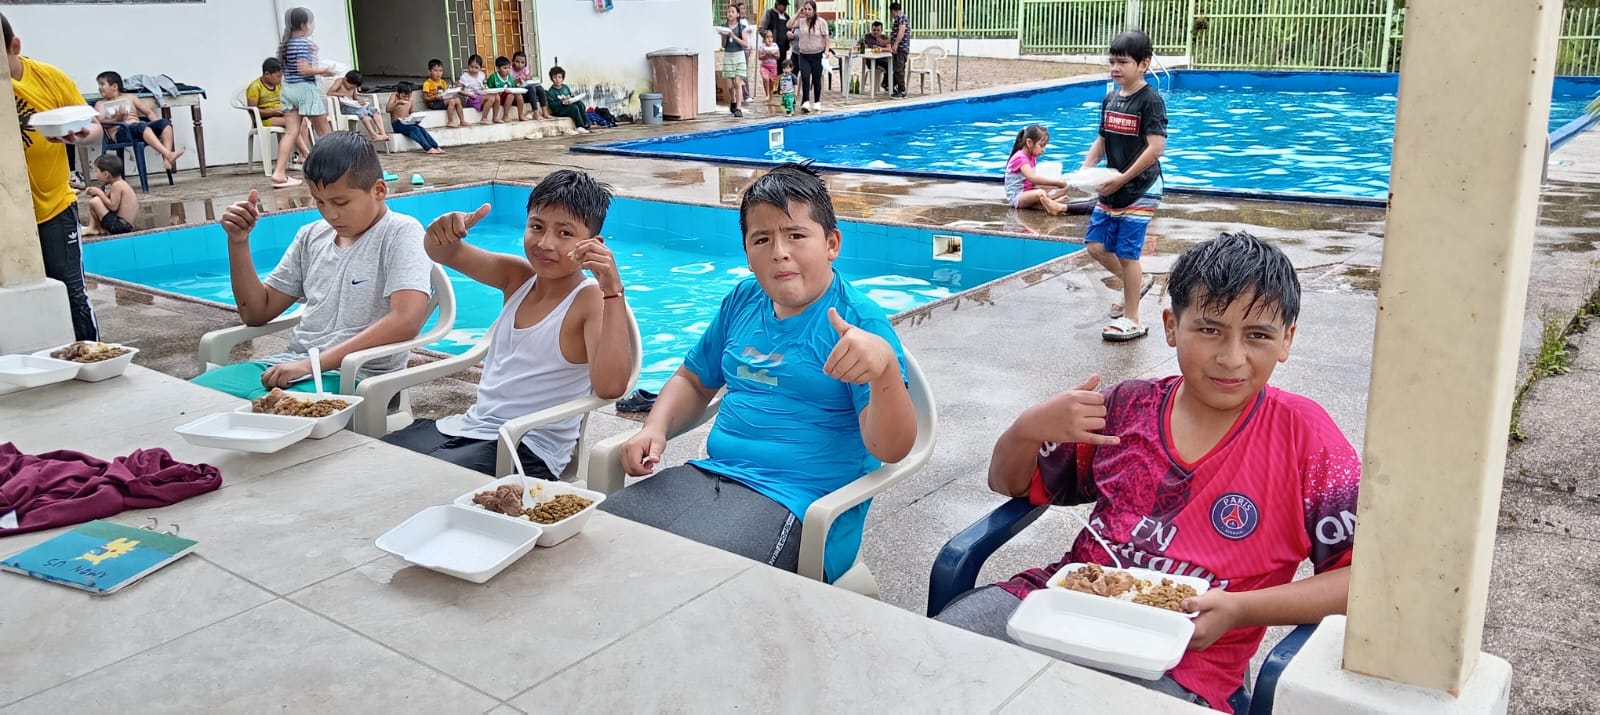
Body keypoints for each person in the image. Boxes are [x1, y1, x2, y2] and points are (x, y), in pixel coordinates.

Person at [933, 231, 1361, 713]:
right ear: (1171, 326)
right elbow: (1008, 483)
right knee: (932, 659)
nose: (1231, 358)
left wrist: (1242, 609)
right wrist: (1027, 429)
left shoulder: (1306, 439)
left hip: (1184, 660)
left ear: (1287, 340)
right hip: (1061, 607)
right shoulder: (1126, 407)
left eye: (1257, 335)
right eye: (1210, 330)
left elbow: (1361, 581)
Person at [601, 162, 916, 582]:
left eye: (796, 235)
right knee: (601, 541)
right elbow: (692, 379)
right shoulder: (744, 301)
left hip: (800, 503)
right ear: (748, 255)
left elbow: (892, 449)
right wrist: (654, 428)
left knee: (688, 581)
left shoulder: (860, 324)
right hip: (711, 476)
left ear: (832, 243)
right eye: (762, 239)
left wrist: (885, 371)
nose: (779, 251)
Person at [382, 171, 637, 477]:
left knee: (426, 481)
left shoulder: (590, 299)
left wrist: (613, 290)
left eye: (565, 233)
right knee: (377, 460)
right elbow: (442, 252)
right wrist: (443, 229)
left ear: (593, 245)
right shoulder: (517, 277)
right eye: (537, 227)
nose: (546, 243)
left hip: (528, 447)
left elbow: (610, 387)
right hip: (471, 428)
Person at [193, 132, 433, 400]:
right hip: (290, 365)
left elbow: (406, 320)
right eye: (320, 201)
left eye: (341, 202)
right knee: (190, 398)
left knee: (267, 410)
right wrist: (238, 241)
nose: (330, 214)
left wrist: (311, 365)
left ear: (379, 190)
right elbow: (256, 313)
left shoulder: (400, 232)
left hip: (360, 377)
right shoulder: (311, 236)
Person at [6, 12, 104, 341]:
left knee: (70, 291)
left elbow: (94, 127)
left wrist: (81, 135)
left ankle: (90, 355)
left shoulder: (47, 78)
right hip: (8, 214)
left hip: (53, 206)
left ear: (15, 46)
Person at [1081, 30, 1166, 342]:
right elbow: (1102, 139)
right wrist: (1086, 169)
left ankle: (1133, 319)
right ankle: (1136, 282)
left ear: (1143, 64)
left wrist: (1122, 178)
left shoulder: (1150, 101)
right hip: (1113, 186)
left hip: (1142, 188)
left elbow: (1156, 148)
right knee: (1095, 246)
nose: (1115, 68)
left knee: (1128, 254)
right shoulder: (1111, 98)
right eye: (1112, 62)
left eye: (1122, 62)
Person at [271, 6, 338, 189]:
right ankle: (337, 170)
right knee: (325, 132)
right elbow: (304, 69)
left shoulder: (285, 44)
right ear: (303, 24)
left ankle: (279, 174)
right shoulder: (301, 44)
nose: (312, 25)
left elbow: (295, 67)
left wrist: (313, 52)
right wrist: (325, 70)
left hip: (288, 89)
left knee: (291, 133)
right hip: (305, 90)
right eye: (311, 22)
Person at [93, 71, 186, 172]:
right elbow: (101, 124)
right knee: (143, 127)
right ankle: (168, 154)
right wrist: (117, 118)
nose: (99, 88)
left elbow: (148, 113)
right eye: (99, 85)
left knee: (165, 123)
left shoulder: (130, 97)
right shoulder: (100, 104)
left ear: (115, 86)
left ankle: (167, 159)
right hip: (121, 133)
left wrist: (157, 128)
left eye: (102, 84)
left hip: (139, 128)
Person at [247, 57, 311, 166]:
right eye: (278, 76)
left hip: (281, 115)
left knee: (303, 120)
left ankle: (301, 156)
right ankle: (307, 154)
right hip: (263, 120)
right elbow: (253, 111)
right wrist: (272, 112)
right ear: (267, 74)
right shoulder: (255, 87)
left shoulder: (279, 85)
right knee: (291, 122)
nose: (280, 79)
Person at [1005, 124, 1072, 215]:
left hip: (1028, 192)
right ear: (1029, 142)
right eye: (1041, 145)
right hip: (1018, 197)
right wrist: (1057, 183)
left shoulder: (1031, 157)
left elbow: (1033, 183)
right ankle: (1051, 205)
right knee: (1040, 193)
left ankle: (1045, 204)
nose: (1044, 150)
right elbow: (1032, 178)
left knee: (1062, 187)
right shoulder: (1020, 158)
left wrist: (1058, 185)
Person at [788, 1, 830, 113]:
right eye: (805, 9)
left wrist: (826, 50)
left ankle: (817, 102)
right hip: (804, 55)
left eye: (809, 9)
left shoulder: (821, 22)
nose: (807, 11)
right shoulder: (801, 22)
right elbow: (789, 25)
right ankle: (805, 101)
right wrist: (798, 13)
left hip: (817, 54)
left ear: (814, 11)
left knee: (816, 78)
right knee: (805, 77)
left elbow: (826, 37)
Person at [326, 70, 390, 142]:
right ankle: (374, 135)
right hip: (344, 107)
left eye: (354, 87)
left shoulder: (353, 86)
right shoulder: (340, 81)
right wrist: (341, 94)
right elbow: (329, 93)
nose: (351, 88)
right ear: (346, 79)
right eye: (351, 86)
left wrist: (360, 101)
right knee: (363, 113)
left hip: (354, 105)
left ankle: (383, 133)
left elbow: (355, 98)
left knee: (374, 110)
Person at [84, 154, 138, 237]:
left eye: (96, 171)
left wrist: (99, 192)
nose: (95, 175)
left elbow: (113, 207)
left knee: (95, 202)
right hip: (124, 225)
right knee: (97, 200)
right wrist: (97, 194)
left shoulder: (117, 185)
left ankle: (95, 228)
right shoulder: (121, 184)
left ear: (106, 174)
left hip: (121, 227)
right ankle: (95, 228)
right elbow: (105, 201)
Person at [386, 82, 445, 155]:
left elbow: (411, 112)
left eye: (408, 96)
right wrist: (397, 103)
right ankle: (428, 148)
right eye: (404, 96)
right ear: (399, 93)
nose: (406, 98)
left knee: (422, 129)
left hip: (408, 122)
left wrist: (416, 119)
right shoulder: (394, 97)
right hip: (397, 123)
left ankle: (436, 146)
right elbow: (388, 109)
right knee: (415, 129)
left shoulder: (411, 100)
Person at [717, 4, 750, 117]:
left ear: (737, 14)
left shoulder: (741, 27)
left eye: (732, 12)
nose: (730, 14)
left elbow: (745, 44)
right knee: (730, 86)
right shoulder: (724, 26)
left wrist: (734, 36)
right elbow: (723, 45)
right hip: (728, 56)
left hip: (739, 55)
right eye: (729, 12)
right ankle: (733, 100)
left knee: (737, 82)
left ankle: (739, 108)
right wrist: (724, 36)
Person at [546, 65, 590, 134]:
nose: (557, 79)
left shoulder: (565, 87)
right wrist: (562, 103)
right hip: (559, 110)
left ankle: (585, 123)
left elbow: (569, 95)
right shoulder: (551, 91)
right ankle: (579, 126)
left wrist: (572, 97)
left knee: (580, 104)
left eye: (559, 77)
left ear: (562, 78)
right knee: (574, 108)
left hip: (568, 105)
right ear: (551, 79)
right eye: (555, 77)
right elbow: (552, 105)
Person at [423, 58, 466, 128]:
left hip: (442, 100)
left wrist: (451, 91)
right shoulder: (427, 83)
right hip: (434, 103)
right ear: (430, 71)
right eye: (435, 70)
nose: (438, 73)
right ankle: (450, 121)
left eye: (440, 71)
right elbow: (425, 98)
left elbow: (446, 93)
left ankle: (462, 121)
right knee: (452, 101)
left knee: (457, 100)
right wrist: (434, 97)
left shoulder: (443, 82)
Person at [459, 54, 501, 125]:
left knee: (497, 96)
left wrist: (486, 89)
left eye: (476, 68)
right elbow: (459, 90)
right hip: (471, 98)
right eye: (471, 67)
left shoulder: (481, 75)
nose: (473, 69)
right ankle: (484, 118)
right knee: (491, 98)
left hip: (480, 95)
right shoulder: (465, 77)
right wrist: (470, 95)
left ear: (480, 68)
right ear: (468, 65)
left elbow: (482, 86)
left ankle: (495, 117)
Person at [511, 51, 552, 121]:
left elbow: (529, 77)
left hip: (527, 91)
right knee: (531, 88)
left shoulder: (525, 69)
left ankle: (545, 112)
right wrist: (516, 81)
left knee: (539, 88)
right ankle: (535, 113)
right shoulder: (510, 70)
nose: (520, 64)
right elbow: (509, 83)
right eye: (517, 62)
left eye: (522, 62)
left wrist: (528, 78)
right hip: (519, 95)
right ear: (513, 61)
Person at [486, 56, 524, 123]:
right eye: (505, 68)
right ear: (498, 68)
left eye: (509, 68)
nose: (507, 70)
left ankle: (521, 115)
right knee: (510, 96)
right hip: (499, 98)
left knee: (519, 96)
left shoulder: (510, 78)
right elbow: (488, 88)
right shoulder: (493, 77)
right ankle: (505, 116)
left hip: (509, 98)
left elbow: (513, 88)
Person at [857, 21, 892, 93]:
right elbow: (857, 46)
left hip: (883, 59)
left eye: (878, 30)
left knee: (893, 66)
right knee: (887, 66)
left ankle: (887, 84)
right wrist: (863, 46)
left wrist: (881, 49)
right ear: (871, 29)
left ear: (881, 30)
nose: (876, 32)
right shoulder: (866, 36)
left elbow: (889, 49)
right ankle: (886, 85)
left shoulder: (884, 37)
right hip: (870, 60)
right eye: (874, 30)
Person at [889, 2, 911, 98]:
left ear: (893, 11)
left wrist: (896, 44)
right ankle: (897, 88)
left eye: (891, 13)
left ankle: (902, 90)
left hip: (901, 48)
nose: (891, 15)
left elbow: (901, 31)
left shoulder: (901, 18)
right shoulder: (899, 19)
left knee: (899, 69)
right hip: (899, 47)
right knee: (898, 69)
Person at [760, 0, 791, 65]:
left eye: (785, 5)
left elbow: (789, 29)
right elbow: (762, 29)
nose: (785, 7)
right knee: (772, 65)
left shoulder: (786, 16)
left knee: (782, 66)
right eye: (783, 5)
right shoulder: (769, 13)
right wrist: (768, 38)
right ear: (778, 4)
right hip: (771, 47)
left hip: (783, 47)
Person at [758, 30, 781, 110]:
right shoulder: (762, 46)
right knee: (765, 78)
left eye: (771, 37)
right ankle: (767, 94)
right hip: (764, 66)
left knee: (771, 83)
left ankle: (770, 97)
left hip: (773, 67)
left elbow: (778, 56)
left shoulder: (775, 45)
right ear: (764, 38)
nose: (770, 39)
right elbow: (760, 57)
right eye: (767, 37)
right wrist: (766, 54)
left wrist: (773, 54)